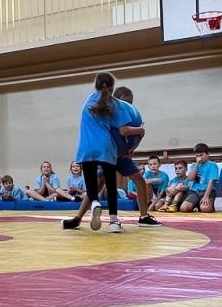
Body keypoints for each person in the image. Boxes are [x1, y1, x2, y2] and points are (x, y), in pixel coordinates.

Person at [62, 71, 139, 234]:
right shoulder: (115, 104)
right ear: (112, 88)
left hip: (86, 147)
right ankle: (113, 222)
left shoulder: (89, 100)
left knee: (91, 184)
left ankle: (95, 203)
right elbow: (124, 130)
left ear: (96, 86)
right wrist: (141, 130)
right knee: (111, 185)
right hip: (106, 147)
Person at [111, 85, 159, 226]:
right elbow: (123, 131)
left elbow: (134, 140)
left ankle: (144, 217)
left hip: (123, 155)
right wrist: (141, 130)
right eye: (127, 102)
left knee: (139, 180)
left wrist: (132, 147)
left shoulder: (128, 114)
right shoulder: (115, 113)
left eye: (131, 103)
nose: (129, 106)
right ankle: (78, 216)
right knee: (97, 185)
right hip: (110, 154)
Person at [179, 144, 219, 213]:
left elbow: (211, 181)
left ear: (207, 154)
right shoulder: (194, 165)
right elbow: (190, 178)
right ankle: (196, 205)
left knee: (205, 209)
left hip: (208, 192)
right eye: (197, 156)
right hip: (195, 192)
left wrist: (206, 196)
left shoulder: (212, 165)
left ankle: (203, 205)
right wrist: (197, 165)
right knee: (184, 208)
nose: (199, 158)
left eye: (201, 155)